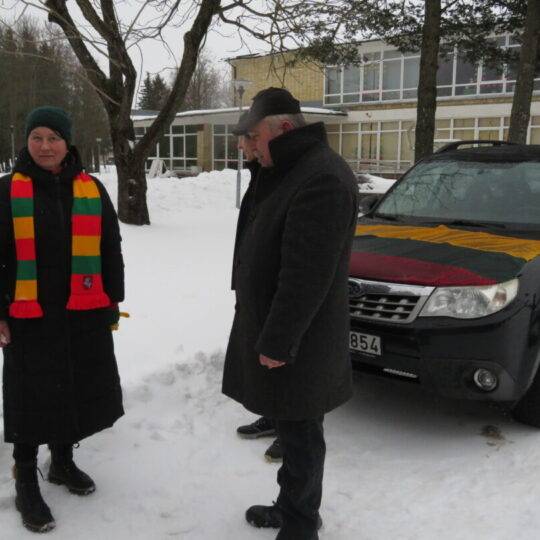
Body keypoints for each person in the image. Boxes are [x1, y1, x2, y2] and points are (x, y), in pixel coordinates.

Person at [222, 88, 359, 540]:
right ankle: (291, 508)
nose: (247, 146)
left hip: (302, 339)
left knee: (300, 434)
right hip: (281, 329)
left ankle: (300, 526)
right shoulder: (285, 168)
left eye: (252, 137)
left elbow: (306, 275)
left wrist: (279, 340)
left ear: (283, 128)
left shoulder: (321, 178)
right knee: (290, 424)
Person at [0, 106, 125, 533]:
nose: (45, 146)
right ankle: (25, 479)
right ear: (26, 141)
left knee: (72, 385)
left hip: (80, 310)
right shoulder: (7, 190)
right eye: (37, 137)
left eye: (53, 137)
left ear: (68, 143)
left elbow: (110, 248)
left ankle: (62, 461)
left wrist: (112, 301)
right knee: (28, 395)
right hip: (28, 314)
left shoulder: (91, 189)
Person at [232, 114, 283, 463]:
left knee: (283, 360)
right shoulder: (260, 174)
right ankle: (273, 414)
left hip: (276, 285)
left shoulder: (282, 176)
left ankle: (290, 426)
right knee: (262, 355)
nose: (241, 146)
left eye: (247, 138)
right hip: (254, 282)